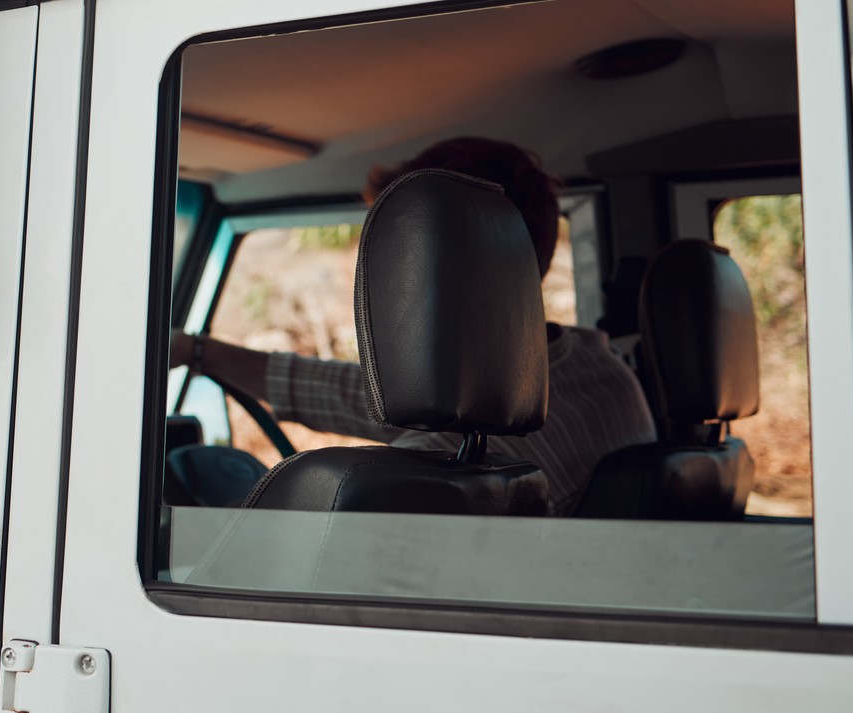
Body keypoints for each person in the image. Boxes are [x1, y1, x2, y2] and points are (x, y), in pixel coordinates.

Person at [173, 137, 655, 516]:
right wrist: (201, 352)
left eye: (396, 250)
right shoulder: (599, 370)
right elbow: (350, 391)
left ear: (431, 267)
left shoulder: (456, 467)